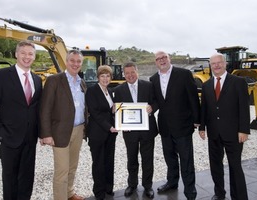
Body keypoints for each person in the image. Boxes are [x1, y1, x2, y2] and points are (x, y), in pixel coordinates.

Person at [0, 40, 42, 200]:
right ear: (16, 54)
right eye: (23, 53)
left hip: (30, 139)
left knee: (27, 178)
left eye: (30, 54)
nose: (26, 57)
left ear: (34, 57)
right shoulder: (1, 76)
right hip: (9, 138)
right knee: (10, 179)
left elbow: (36, 109)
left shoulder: (37, 80)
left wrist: (41, 133)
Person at [199, 53, 250, 200]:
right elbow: (205, 108)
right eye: (213, 63)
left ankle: (239, 196)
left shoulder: (239, 82)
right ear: (210, 65)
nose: (216, 65)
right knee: (215, 166)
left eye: (219, 63)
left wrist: (244, 130)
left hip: (234, 133)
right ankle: (219, 193)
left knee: (235, 167)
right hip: (214, 133)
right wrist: (202, 127)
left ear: (225, 63)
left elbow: (244, 108)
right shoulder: (206, 85)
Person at [150, 51, 200, 200]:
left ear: (169, 58)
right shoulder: (153, 79)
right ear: (156, 62)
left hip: (183, 125)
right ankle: (172, 182)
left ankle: (190, 191)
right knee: (169, 158)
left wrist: (197, 119)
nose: (162, 60)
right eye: (158, 59)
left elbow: (193, 97)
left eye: (164, 57)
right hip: (165, 127)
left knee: (186, 161)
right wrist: (149, 108)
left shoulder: (184, 74)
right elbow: (156, 101)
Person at [39, 49, 86, 200]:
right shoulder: (54, 80)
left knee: (72, 167)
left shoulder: (82, 82)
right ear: (66, 62)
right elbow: (45, 108)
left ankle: (70, 193)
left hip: (79, 130)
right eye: (72, 60)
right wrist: (46, 134)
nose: (75, 64)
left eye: (78, 61)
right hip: (60, 131)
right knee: (62, 170)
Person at [114, 62, 158, 199]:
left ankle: (148, 186)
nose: (130, 75)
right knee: (131, 159)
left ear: (137, 72)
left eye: (132, 72)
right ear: (124, 74)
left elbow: (156, 101)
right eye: (127, 73)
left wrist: (152, 108)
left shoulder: (149, 85)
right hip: (130, 132)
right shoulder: (119, 90)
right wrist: (121, 123)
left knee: (147, 159)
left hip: (147, 130)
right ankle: (132, 185)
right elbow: (118, 110)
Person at [85, 65, 118, 200]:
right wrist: (109, 126)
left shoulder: (109, 91)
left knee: (109, 161)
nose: (105, 78)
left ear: (111, 78)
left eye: (108, 76)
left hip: (110, 133)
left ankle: (108, 188)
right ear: (98, 77)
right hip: (97, 133)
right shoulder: (92, 91)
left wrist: (114, 110)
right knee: (98, 163)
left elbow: (108, 111)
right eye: (102, 76)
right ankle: (99, 192)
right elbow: (95, 113)